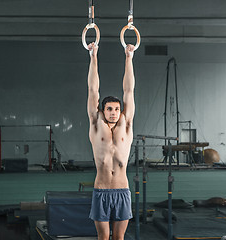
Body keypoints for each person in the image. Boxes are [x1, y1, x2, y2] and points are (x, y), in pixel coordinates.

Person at [87, 42, 136, 240]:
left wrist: (129, 57)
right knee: (103, 238)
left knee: (119, 238)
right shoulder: (96, 124)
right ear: (103, 110)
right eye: (109, 109)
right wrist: (93, 55)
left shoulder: (127, 124)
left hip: (122, 190)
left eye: (116, 109)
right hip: (101, 191)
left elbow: (129, 91)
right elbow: (92, 89)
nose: (114, 113)